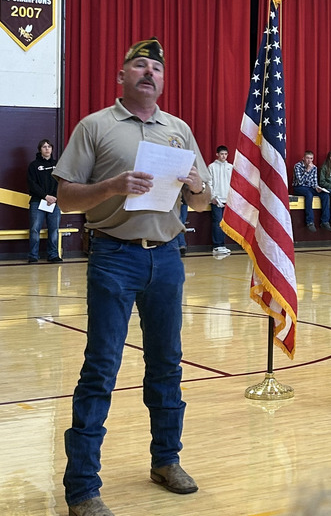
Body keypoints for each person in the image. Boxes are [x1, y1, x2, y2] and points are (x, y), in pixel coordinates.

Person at [53, 38, 213, 516]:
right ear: (121, 76)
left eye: (157, 68)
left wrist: (197, 186)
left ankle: (167, 461)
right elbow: (65, 198)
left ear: (163, 81)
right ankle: (82, 487)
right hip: (113, 257)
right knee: (101, 368)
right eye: (139, 66)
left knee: (167, 364)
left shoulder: (179, 131)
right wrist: (112, 185)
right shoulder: (95, 126)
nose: (149, 73)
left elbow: (202, 204)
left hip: (167, 258)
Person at [27, 138, 62, 263]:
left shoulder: (58, 164)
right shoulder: (34, 166)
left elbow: (62, 182)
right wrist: (45, 196)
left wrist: (55, 197)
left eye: (49, 146)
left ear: (52, 149)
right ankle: (33, 255)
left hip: (55, 202)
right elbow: (32, 184)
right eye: (44, 147)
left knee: (54, 229)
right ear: (40, 150)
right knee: (35, 229)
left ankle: (53, 255)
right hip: (38, 201)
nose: (47, 149)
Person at [208, 145, 234, 256]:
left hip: (228, 199)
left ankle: (223, 245)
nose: (224, 156)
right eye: (222, 154)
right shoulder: (212, 167)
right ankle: (217, 245)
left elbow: (233, 183)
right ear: (217, 154)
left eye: (225, 154)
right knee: (217, 222)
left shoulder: (231, 167)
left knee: (224, 223)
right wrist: (212, 197)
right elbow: (209, 183)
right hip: (216, 200)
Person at [292, 150, 327, 232]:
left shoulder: (314, 167)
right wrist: (307, 170)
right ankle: (310, 221)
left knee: (324, 195)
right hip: (299, 187)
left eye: (311, 158)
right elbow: (300, 181)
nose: (309, 160)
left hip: (310, 187)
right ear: (303, 158)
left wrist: (317, 188)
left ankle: (324, 221)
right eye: (307, 158)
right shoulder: (298, 166)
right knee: (309, 194)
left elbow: (314, 182)